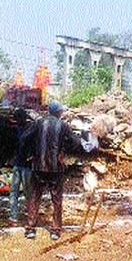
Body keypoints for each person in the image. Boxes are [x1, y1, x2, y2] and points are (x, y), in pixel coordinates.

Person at [21, 102, 84, 240]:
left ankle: (31, 229)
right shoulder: (63, 126)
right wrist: (63, 152)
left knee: (34, 197)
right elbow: (76, 142)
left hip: (38, 167)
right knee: (56, 199)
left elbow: (24, 138)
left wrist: (31, 153)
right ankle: (55, 231)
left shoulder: (38, 123)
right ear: (59, 112)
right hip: (56, 169)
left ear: (49, 111)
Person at [8, 108, 32, 227]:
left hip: (21, 166)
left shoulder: (16, 131)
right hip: (23, 166)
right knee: (26, 193)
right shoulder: (28, 130)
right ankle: (28, 217)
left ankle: (14, 217)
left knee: (15, 192)